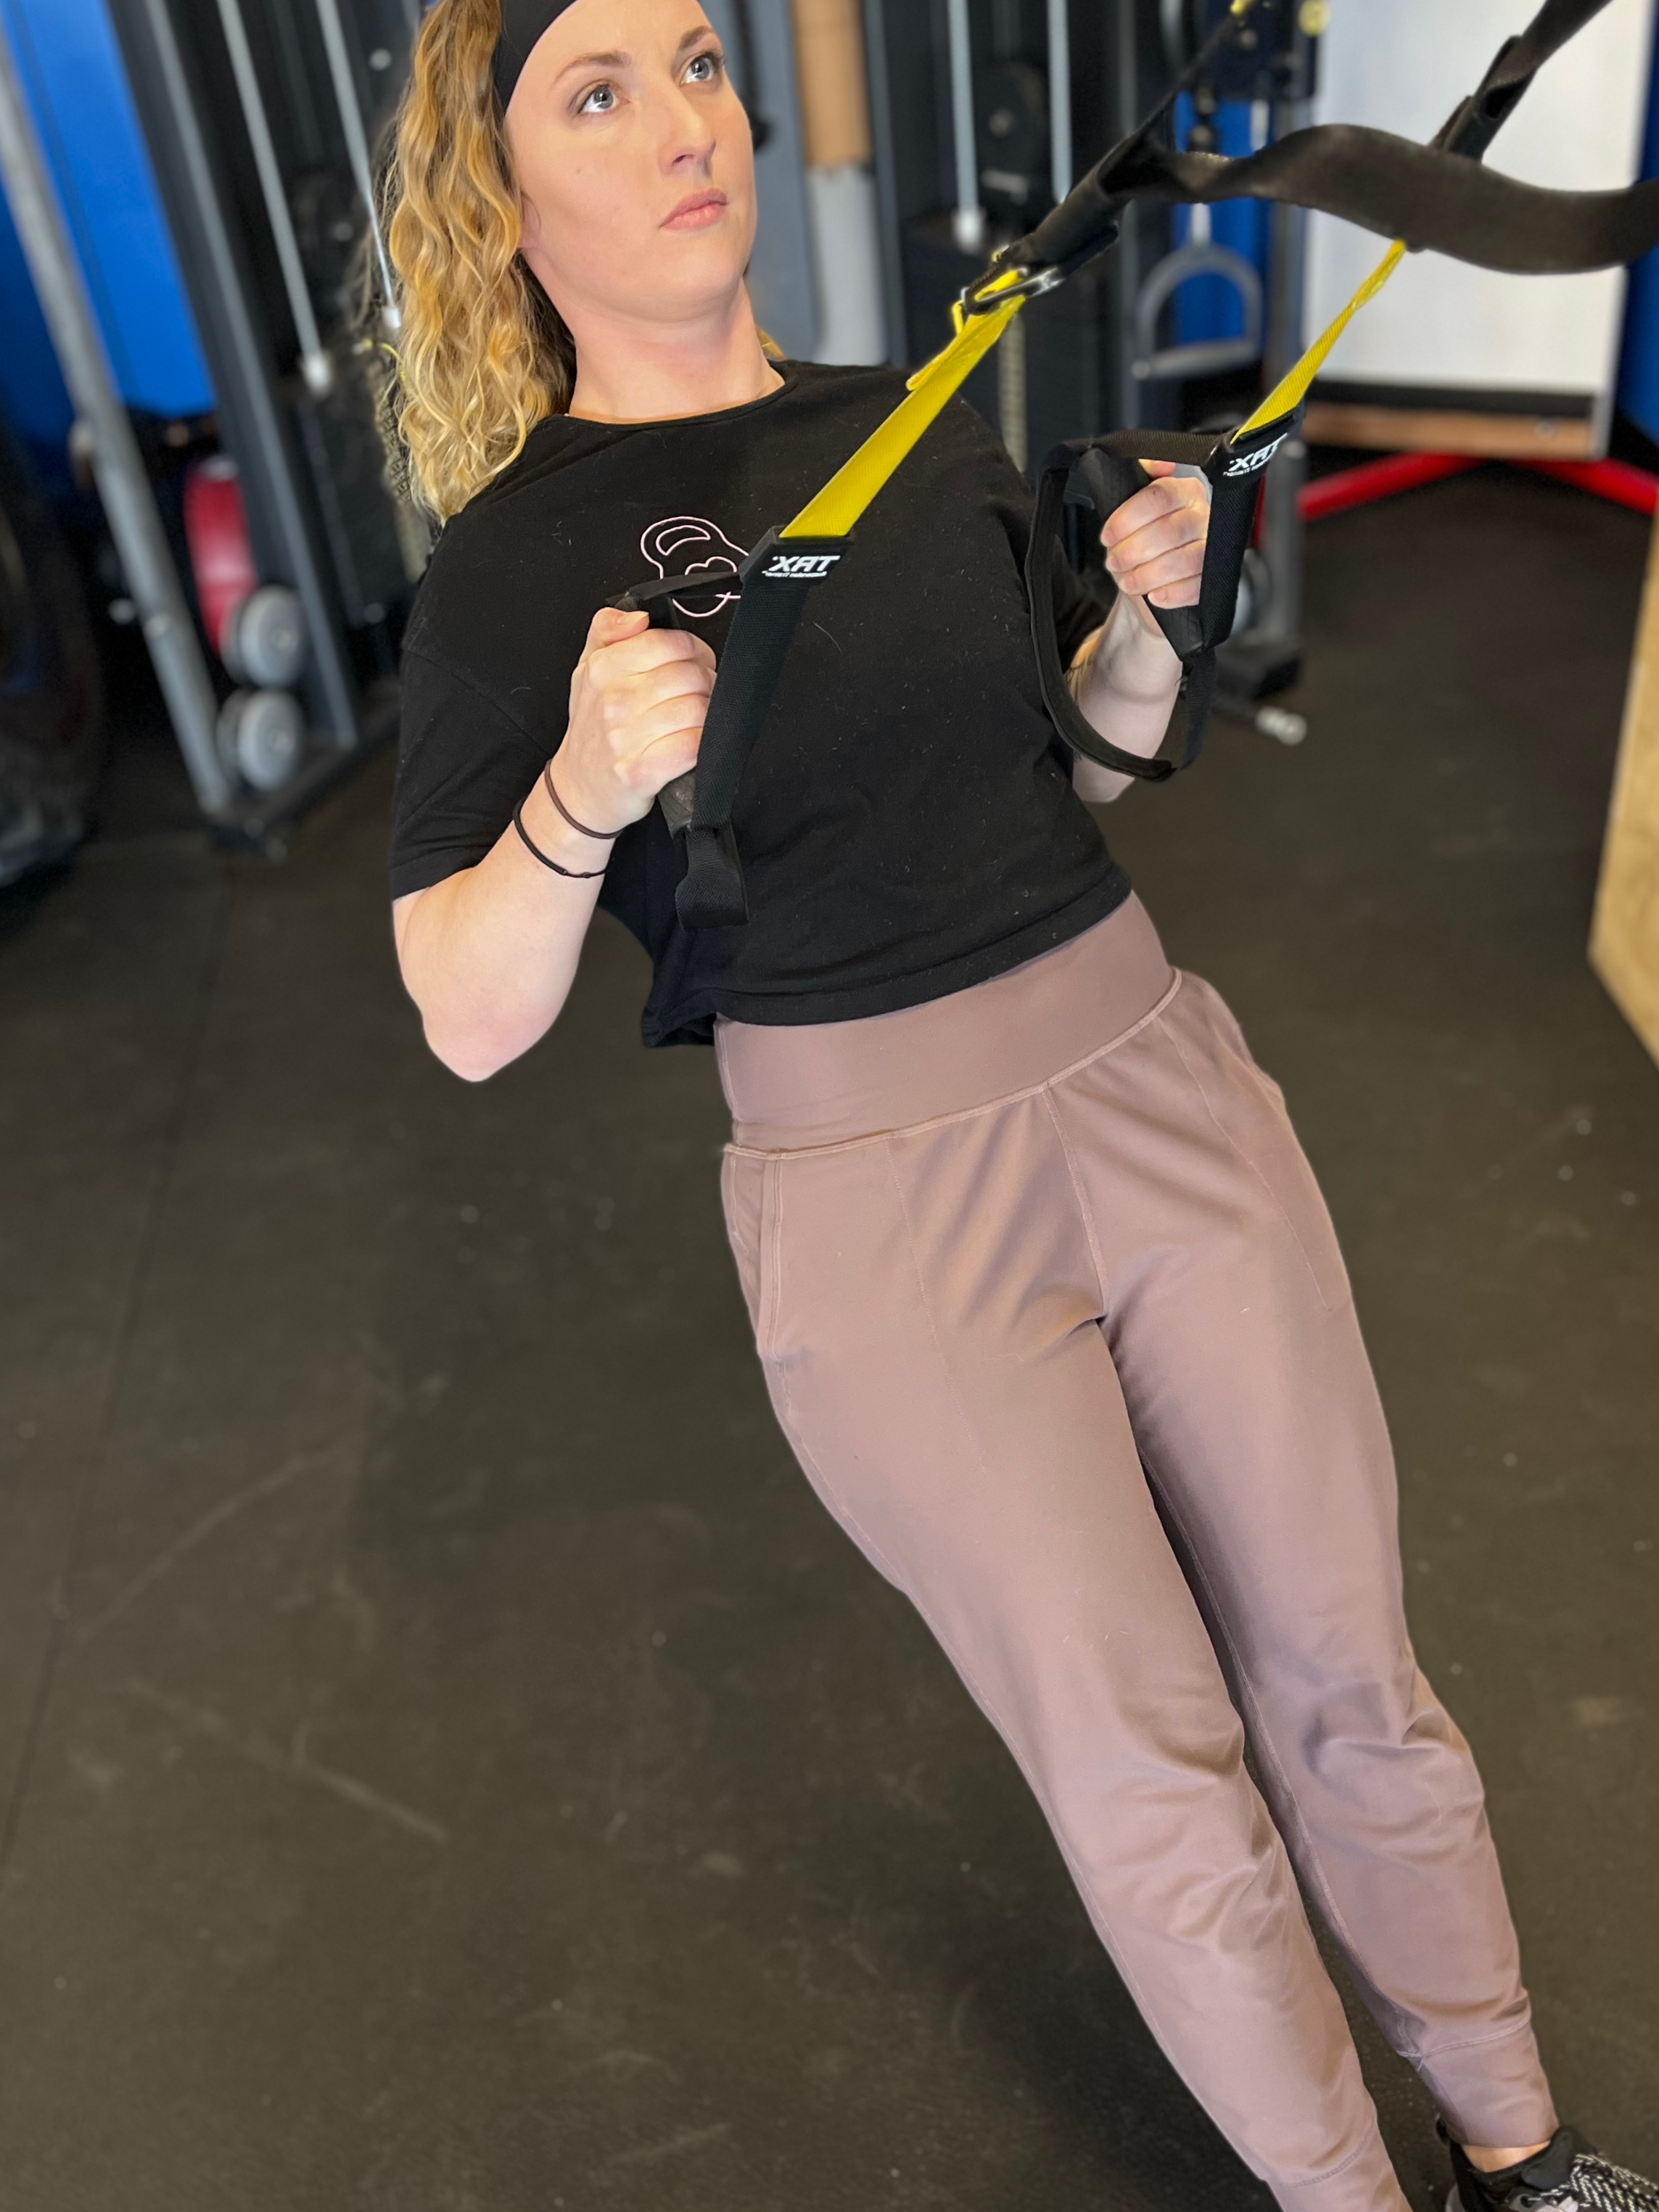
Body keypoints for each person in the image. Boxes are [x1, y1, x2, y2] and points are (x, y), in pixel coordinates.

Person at [381, 3, 1655, 2208]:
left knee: (1350, 1667)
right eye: (599, 91)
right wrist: (586, 786)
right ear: (499, 196)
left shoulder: (913, 429)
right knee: (1155, 1769)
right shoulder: (515, 567)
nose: (684, 119)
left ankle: (1517, 2142)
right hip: (882, 1208)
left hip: (1148, 1071)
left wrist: (1149, 627)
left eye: (694, 58)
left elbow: (1057, 769)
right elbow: (465, 1010)